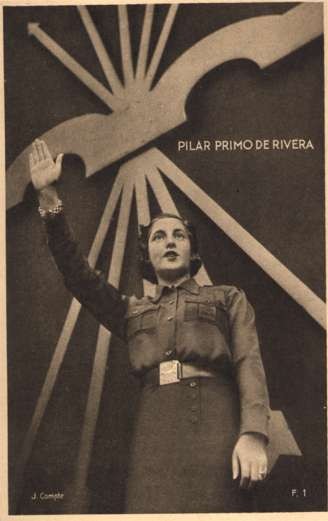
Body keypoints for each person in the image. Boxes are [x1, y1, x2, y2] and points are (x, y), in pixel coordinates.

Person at [29, 138, 270, 513]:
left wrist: (253, 433)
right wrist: (47, 195)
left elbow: (249, 364)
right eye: (159, 236)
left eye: (179, 236)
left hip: (215, 422)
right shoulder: (131, 310)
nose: (170, 242)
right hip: (153, 428)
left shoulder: (227, 298)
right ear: (148, 253)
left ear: (192, 250)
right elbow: (77, 276)